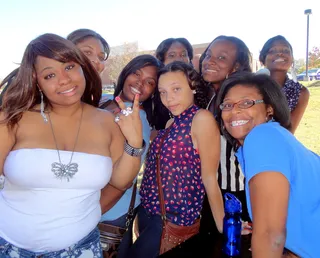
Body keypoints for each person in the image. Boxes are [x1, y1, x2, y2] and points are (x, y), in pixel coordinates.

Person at [0, 33, 144, 257]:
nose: (64, 79)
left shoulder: (108, 121)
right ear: (37, 82)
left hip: (80, 248)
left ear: (82, 68)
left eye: (69, 67)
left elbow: (119, 183)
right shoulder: (12, 119)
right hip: (8, 248)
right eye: (49, 75)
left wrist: (134, 141)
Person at [216, 72, 320, 258]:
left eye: (246, 103)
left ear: (269, 109)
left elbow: (270, 234)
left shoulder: (262, 137)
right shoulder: (276, 138)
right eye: (228, 105)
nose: (235, 111)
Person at [125, 61, 224, 258]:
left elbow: (210, 179)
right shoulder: (172, 122)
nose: (169, 98)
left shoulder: (201, 119)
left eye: (176, 89)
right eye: (162, 92)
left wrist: (225, 228)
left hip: (172, 220)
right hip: (149, 214)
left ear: (193, 87)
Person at [98, 54, 162, 257]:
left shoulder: (138, 118)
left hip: (107, 211)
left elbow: (126, 180)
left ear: (153, 92)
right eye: (136, 73)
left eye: (149, 82)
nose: (139, 83)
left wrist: (90, 213)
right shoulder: (106, 102)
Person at [199, 35, 253, 234]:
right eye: (208, 55)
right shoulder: (214, 96)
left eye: (221, 58)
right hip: (214, 190)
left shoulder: (237, 100)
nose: (209, 61)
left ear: (237, 66)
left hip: (237, 196)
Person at [259, 35, 309, 133]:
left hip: (279, 143)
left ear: (292, 59)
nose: (280, 53)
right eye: (272, 51)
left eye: (286, 51)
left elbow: (289, 132)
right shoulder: (252, 85)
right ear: (262, 59)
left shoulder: (300, 92)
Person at [153, 38, 194, 131]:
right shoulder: (154, 95)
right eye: (172, 55)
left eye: (184, 54)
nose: (179, 59)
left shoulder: (202, 114)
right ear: (161, 61)